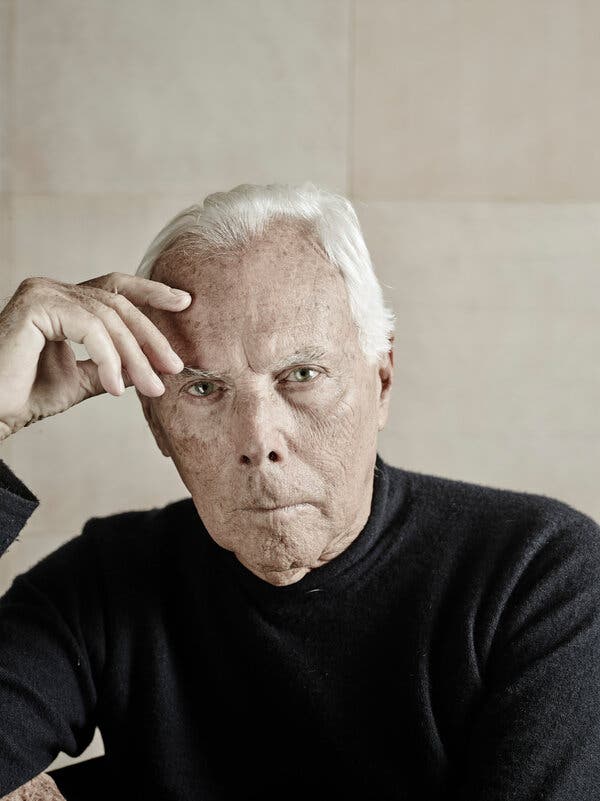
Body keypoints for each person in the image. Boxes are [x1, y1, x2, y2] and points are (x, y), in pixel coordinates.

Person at [0, 183, 599, 801]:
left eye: (302, 375)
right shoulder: (103, 582)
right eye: (204, 389)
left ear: (382, 381)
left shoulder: (538, 574)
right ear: (158, 424)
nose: (259, 440)